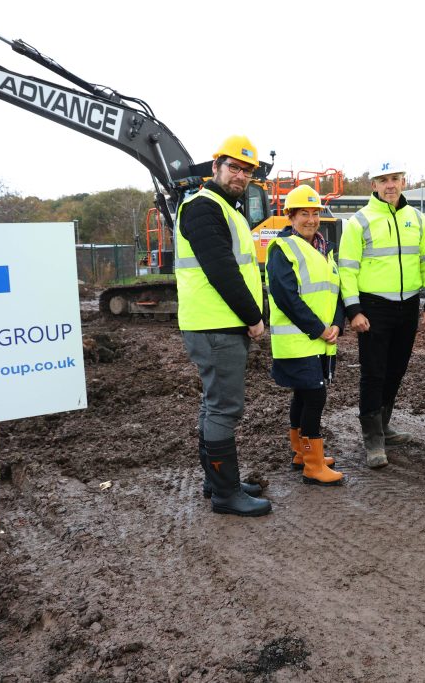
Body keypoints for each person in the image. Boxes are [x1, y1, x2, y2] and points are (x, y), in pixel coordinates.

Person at [175, 134, 271, 516]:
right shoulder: (203, 207)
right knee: (223, 409)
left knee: (212, 405)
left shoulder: (227, 209)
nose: (240, 175)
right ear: (215, 167)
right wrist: (253, 317)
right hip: (217, 325)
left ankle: (215, 480)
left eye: (247, 171)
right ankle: (226, 493)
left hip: (217, 324)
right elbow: (221, 270)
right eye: (234, 167)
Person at [338, 160, 425, 468]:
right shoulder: (360, 221)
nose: (390, 185)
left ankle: (384, 424)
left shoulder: (417, 219)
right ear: (374, 185)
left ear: (404, 182)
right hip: (374, 307)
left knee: (396, 369)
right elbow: (347, 268)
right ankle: (372, 438)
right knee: (373, 372)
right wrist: (353, 310)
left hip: (408, 305)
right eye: (384, 180)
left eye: (395, 178)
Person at [266, 185, 344, 486]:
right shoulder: (282, 249)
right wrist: (319, 329)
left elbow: (334, 292)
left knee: (303, 394)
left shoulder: (324, 250)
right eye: (303, 213)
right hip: (299, 340)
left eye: (315, 213)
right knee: (315, 395)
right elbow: (286, 297)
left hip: (321, 340)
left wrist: (337, 323)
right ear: (291, 216)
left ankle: (302, 453)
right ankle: (313, 464)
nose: (311, 219)